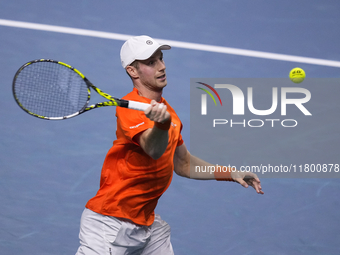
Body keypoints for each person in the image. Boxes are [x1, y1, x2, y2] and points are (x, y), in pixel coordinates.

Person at [75, 35, 264, 255]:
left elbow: (184, 163)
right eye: (151, 62)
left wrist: (230, 173)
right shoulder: (129, 108)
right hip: (109, 223)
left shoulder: (169, 113)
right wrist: (161, 125)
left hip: (146, 225)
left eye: (161, 59)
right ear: (132, 71)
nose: (162, 67)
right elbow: (153, 150)